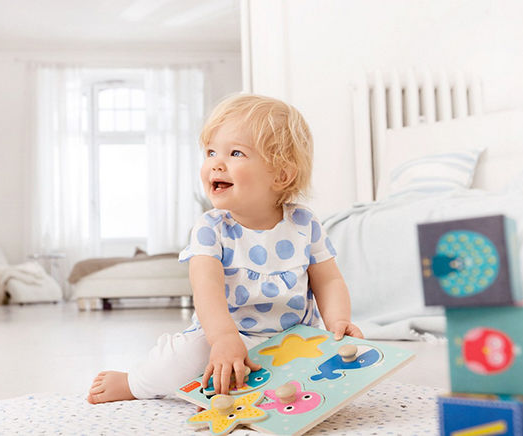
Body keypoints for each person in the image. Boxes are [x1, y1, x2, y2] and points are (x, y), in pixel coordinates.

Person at [87, 94, 363, 404]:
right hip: (225, 333)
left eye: (235, 153)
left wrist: (338, 321)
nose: (216, 163)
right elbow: (206, 289)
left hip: (292, 337)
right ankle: (134, 382)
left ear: (281, 175)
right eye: (210, 152)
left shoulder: (304, 223)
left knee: (329, 373)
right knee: (183, 359)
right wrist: (224, 339)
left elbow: (328, 280)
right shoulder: (211, 228)